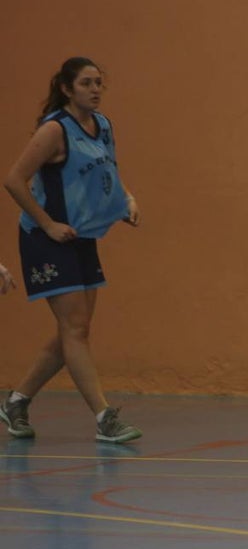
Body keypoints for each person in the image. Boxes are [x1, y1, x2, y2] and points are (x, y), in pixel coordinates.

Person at [1, 57, 143, 443]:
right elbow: (14, 179)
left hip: (80, 236)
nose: (95, 89)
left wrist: (126, 199)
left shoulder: (103, 126)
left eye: (99, 82)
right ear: (67, 88)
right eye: (86, 83)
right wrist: (47, 223)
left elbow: (110, 170)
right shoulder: (54, 130)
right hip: (46, 238)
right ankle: (104, 417)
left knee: (74, 332)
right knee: (75, 330)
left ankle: (16, 402)